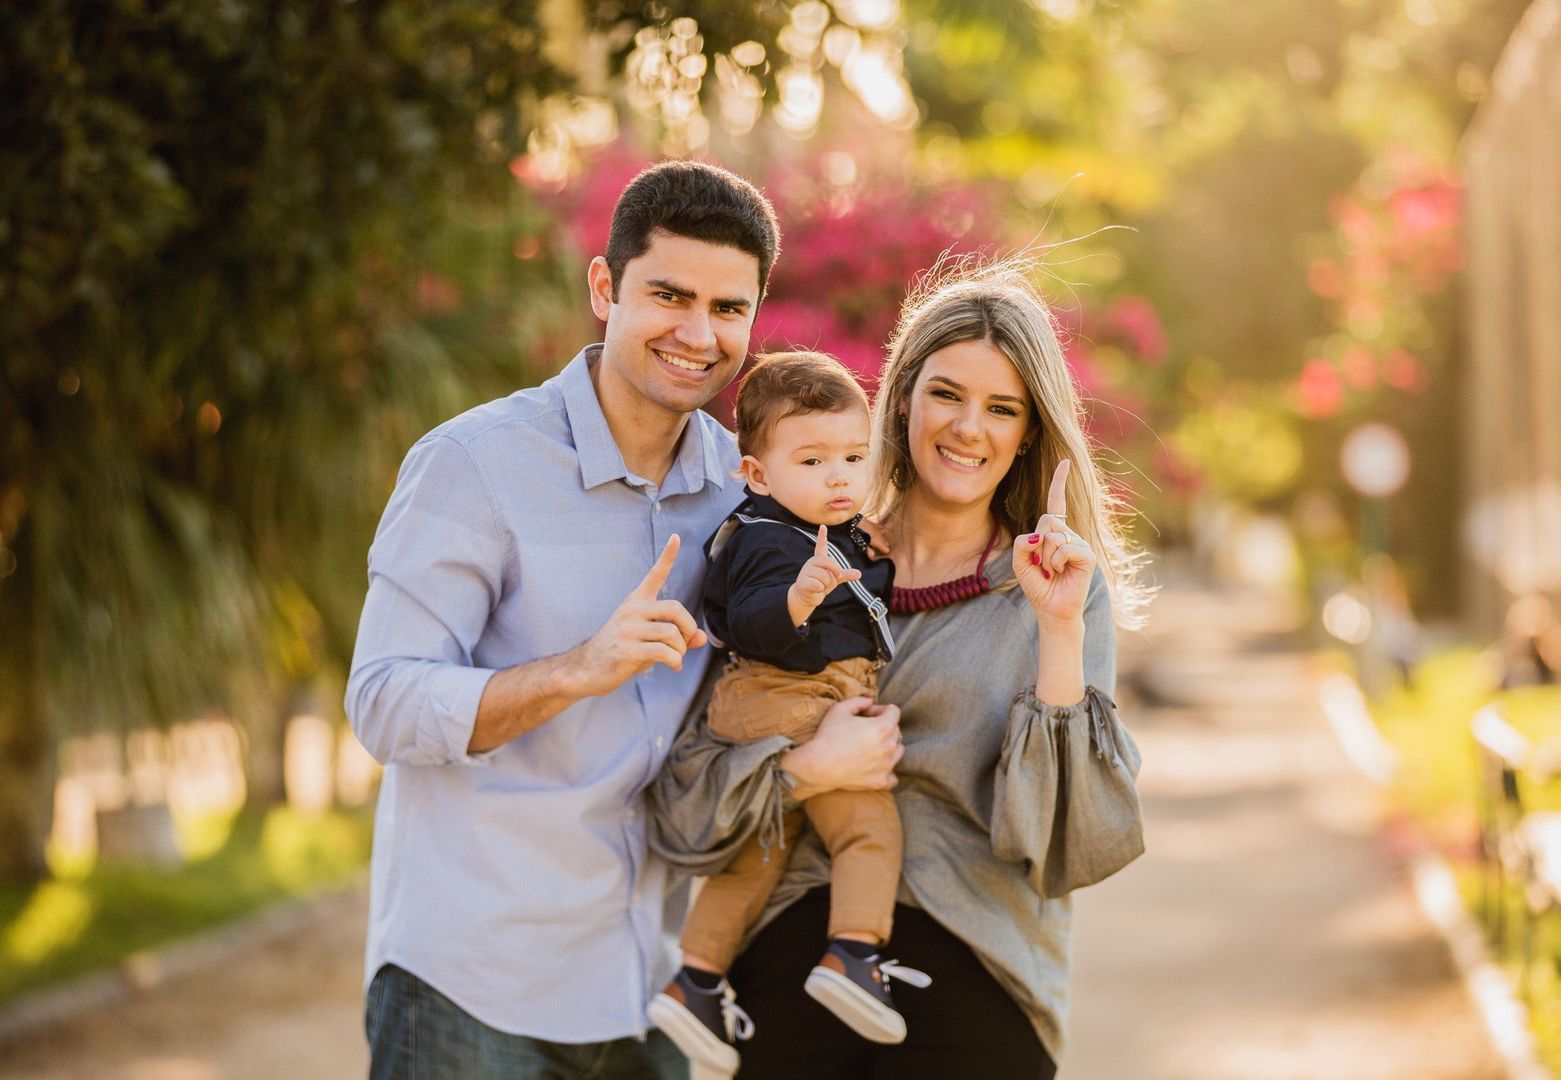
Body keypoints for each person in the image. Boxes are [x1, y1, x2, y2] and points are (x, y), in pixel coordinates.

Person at [344, 160, 902, 1080]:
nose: (698, 334)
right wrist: (578, 668)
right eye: (670, 295)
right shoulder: (475, 464)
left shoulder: (752, 485)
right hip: (472, 989)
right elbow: (384, 704)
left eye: (728, 309)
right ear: (605, 289)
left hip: (653, 986)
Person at [650, 258, 1151, 1079]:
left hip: (976, 962)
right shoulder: (796, 554)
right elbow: (685, 807)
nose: (967, 428)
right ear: (904, 397)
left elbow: (1068, 848)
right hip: (790, 949)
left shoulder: (1057, 588)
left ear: (1027, 431)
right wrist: (802, 772)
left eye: (1001, 408)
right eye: (947, 394)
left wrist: (1057, 632)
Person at [648, 352, 925, 1076]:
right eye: (811, 460)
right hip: (785, 694)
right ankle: (854, 955)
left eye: (852, 456)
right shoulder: (767, 541)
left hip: (777, 701)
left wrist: (875, 556)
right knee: (867, 831)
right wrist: (796, 599)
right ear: (757, 476)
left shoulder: (822, 530)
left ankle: (696, 981)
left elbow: (856, 588)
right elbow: (753, 620)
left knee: (761, 847)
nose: (838, 476)